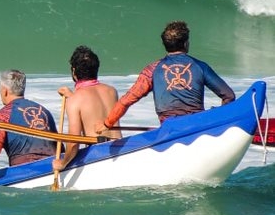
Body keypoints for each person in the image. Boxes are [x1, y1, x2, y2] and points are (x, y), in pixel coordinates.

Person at [95, 20, 235, 135]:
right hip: (197, 128)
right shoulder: (200, 66)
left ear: (165, 45)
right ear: (186, 43)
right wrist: (218, 122)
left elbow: (126, 101)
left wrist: (107, 123)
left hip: (170, 130)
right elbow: (229, 96)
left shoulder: (152, 70)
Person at [52, 46, 122, 172]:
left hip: (98, 156)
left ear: (74, 71)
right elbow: (94, 107)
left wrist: (63, 163)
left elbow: (73, 143)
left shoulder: (75, 100)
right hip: (119, 149)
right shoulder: (112, 91)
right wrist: (72, 95)